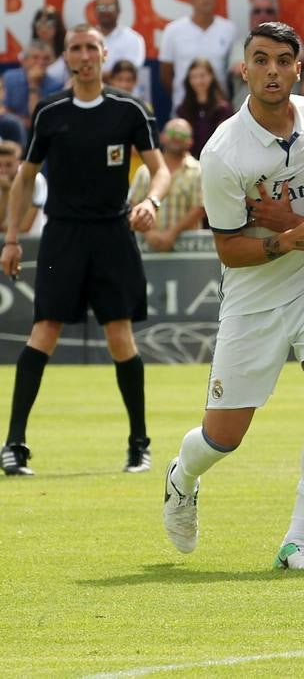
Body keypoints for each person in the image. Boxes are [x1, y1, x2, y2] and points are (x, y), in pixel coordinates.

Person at [162, 20, 304, 570]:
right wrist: (287, 238)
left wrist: (303, 230)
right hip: (253, 302)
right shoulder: (223, 152)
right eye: (261, 59)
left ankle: (299, 541)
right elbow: (228, 249)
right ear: (243, 69)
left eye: (283, 60)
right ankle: (182, 474)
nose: (272, 70)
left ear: (299, 70)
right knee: (223, 438)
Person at [2, 24, 170, 477]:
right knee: (45, 332)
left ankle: (139, 445)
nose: (84, 55)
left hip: (113, 233)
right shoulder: (50, 111)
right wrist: (13, 238)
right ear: (68, 58)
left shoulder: (129, 109)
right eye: (75, 48)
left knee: (120, 337)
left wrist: (151, 201)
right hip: (63, 234)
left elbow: (160, 171)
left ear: (104, 54)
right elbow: (24, 177)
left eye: (91, 47)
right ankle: (14, 444)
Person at [159, 0, 238, 110]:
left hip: (219, 110)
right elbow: (166, 75)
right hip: (184, 109)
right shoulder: (173, 30)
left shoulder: (229, 29)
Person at [128, 119, 204, 252]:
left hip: (188, 250)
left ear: (190, 142)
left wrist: (172, 234)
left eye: (182, 135)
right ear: (162, 137)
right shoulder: (144, 171)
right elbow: (133, 204)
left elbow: (201, 208)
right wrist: (149, 233)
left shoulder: (199, 171)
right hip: (147, 248)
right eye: (172, 132)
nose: (176, 137)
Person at [92, 0, 149, 101]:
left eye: (110, 7)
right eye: (102, 7)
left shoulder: (133, 39)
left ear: (119, 11)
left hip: (125, 102)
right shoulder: (86, 39)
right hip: (92, 100)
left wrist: (92, 76)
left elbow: (126, 74)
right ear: (95, 11)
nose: (106, 11)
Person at [175, 58, 234, 159]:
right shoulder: (183, 109)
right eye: (193, 77)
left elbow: (226, 142)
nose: (198, 81)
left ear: (211, 76)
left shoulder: (223, 109)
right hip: (190, 166)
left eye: (202, 76)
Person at [3, 41, 65, 132]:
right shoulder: (9, 78)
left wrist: (33, 85)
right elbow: (2, 109)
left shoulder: (56, 85)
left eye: (46, 59)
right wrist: (21, 121)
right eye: (35, 58)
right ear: (24, 61)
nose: (41, 62)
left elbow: (37, 118)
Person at [28, 6, 70, 86]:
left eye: (49, 23)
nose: (44, 29)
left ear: (57, 26)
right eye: (39, 23)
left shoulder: (66, 54)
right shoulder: (26, 53)